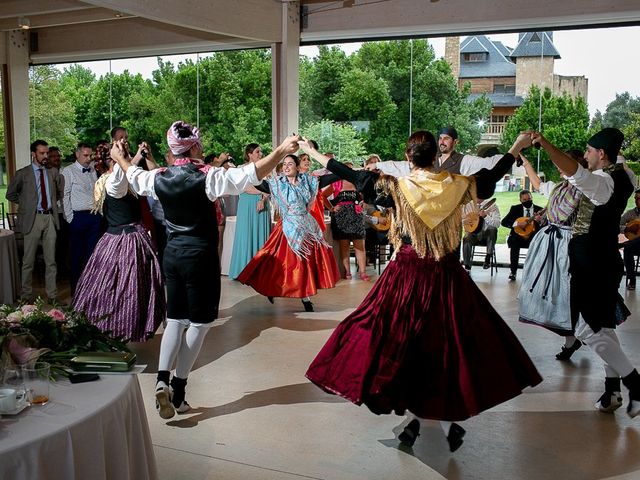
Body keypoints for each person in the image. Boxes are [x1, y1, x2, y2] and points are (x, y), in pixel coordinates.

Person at [301, 131, 542, 452]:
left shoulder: (397, 186)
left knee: (392, 340)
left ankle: (425, 420)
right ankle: (432, 420)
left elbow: (351, 174)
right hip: (446, 275)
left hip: (407, 275)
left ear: (409, 157)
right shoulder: (461, 184)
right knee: (448, 345)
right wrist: (517, 146)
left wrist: (310, 151)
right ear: (434, 157)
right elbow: (497, 172)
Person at [110, 121, 300, 420]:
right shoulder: (208, 177)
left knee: (175, 319)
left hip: (171, 254)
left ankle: (161, 379)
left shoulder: (158, 177)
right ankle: (179, 389)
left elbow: (133, 176)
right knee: (198, 324)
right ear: (195, 147)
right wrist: (281, 150)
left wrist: (119, 156)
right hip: (200, 256)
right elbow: (249, 174)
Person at [531, 128, 639, 418]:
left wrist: (545, 142)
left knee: (585, 328)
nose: (586, 155)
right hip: (600, 260)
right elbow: (612, 164)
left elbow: (577, 173)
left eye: (590, 151)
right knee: (603, 327)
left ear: (601, 155)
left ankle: (635, 385)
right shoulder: (625, 175)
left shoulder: (603, 183)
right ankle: (613, 390)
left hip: (591, 261)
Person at [72, 142, 165, 342]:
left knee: (120, 285)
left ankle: (120, 327)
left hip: (118, 237)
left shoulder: (110, 178)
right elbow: (123, 173)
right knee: (123, 288)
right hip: (126, 240)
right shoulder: (114, 182)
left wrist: (138, 155)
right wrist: (123, 155)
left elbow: (128, 169)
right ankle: (119, 328)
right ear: (112, 160)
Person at [237, 154, 340, 311]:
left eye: (290, 164)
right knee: (275, 261)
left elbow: (334, 176)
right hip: (286, 229)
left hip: (306, 227)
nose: (285, 167)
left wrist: (345, 170)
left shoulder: (309, 181)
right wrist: (246, 171)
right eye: (284, 164)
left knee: (303, 264)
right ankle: (273, 288)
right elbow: (255, 182)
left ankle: (305, 296)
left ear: (298, 167)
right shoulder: (277, 184)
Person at [517, 151, 588, 360]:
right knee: (552, 291)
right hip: (550, 241)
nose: (557, 165)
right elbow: (538, 184)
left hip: (568, 241)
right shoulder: (559, 187)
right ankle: (570, 338)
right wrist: (527, 164)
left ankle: (575, 335)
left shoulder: (584, 187)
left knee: (566, 291)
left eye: (561, 162)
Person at [6, 140, 64, 302]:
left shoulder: (52, 172)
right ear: (33, 154)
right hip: (32, 218)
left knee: (51, 261)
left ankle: (52, 296)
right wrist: (26, 204)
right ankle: (25, 296)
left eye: (47, 153)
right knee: (28, 261)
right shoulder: (22, 173)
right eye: (42, 153)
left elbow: (58, 193)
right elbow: (10, 194)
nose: (46, 156)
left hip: (50, 218)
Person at [372, 126, 505, 177]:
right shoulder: (429, 159)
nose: (442, 142)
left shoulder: (463, 161)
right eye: (440, 138)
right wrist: (377, 165)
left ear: (455, 142)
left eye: (446, 138)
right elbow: (401, 166)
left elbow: (489, 163)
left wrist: (514, 154)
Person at [228, 143, 272, 279]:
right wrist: (261, 192)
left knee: (262, 237)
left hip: (262, 204)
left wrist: (263, 199)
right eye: (257, 152)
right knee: (245, 234)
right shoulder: (241, 169)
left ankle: (260, 271)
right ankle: (243, 270)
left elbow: (271, 188)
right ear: (249, 154)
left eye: (260, 152)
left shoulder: (266, 169)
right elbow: (243, 188)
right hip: (246, 204)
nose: (260, 154)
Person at [62, 142, 102, 293]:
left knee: (92, 256)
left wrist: (99, 214)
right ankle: (76, 292)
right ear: (77, 154)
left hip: (94, 217)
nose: (88, 158)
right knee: (76, 257)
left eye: (90, 155)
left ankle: (91, 292)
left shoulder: (93, 169)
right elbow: (64, 196)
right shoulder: (68, 171)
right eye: (85, 155)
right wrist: (70, 219)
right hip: (77, 218)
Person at [328, 163, 369, 280]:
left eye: (350, 169)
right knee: (344, 246)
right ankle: (347, 272)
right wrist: (332, 208)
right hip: (341, 217)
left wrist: (364, 203)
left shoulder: (358, 184)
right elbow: (322, 196)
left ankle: (362, 272)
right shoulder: (336, 183)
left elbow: (368, 196)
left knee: (360, 245)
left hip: (357, 216)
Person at [501, 190, 544, 281]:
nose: (527, 201)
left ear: (532, 197)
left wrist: (540, 220)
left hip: (533, 236)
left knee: (538, 243)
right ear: (520, 200)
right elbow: (504, 222)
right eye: (524, 200)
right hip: (518, 236)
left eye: (529, 198)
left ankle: (535, 271)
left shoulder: (539, 210)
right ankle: (513, 272)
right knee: (515, 244)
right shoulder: (515, 209)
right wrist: (517, 224)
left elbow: (546, 225)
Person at [461, 198, 500, 271]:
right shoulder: (467, 206)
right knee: (466, 237)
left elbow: (497, 224)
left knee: (493, 229)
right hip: (473, 234)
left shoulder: (492, 206)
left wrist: (485, 216)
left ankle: (488, 258)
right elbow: (459, 221)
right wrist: (466, 221)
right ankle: (466, 265)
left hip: (487, 235)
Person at [618, 189, 640, 290]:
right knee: (628, 250)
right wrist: (627, 228)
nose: (636, 200)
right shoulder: (631, 213)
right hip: (635, 246)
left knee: (628, 245)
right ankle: (632, 279)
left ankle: (625, 244)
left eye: (639, 198)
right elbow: (616, 225)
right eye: (635, 198)